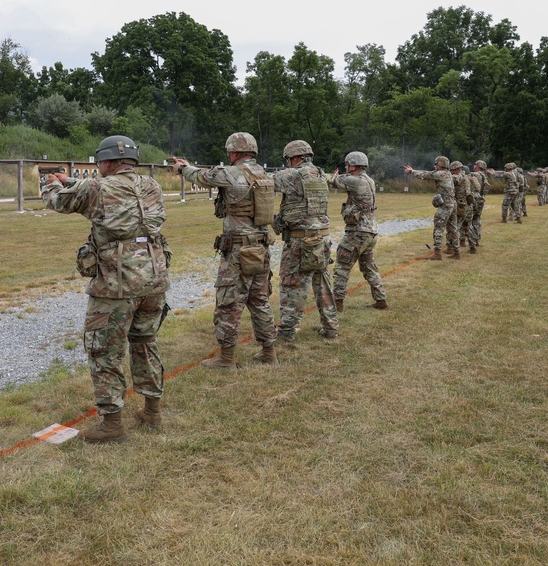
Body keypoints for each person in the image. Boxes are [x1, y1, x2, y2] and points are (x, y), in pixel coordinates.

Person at [42, 135, 171, 443]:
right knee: (145, 343)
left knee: (104, 351)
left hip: (117, 283)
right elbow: (112, 192)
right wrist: (70, 180)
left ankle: (112, 424)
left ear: (108, 162)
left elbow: (61, 201)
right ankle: (152, 412)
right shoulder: (152, 186)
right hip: (153, 278)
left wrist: (50, 184)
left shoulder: (97, 188)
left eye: (100, 162)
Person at [172, 133, 279, 366]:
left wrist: (183, 168)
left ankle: (227, 358)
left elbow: (202, 177)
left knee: (228, 302)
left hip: (239, 251)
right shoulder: (264, 174)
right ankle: (269, 353)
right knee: (259, 300)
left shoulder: (231, 173)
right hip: (261, 246)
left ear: (234, 152)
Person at [272, 140, 339, 341]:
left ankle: (286, 331)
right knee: (322, 283)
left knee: (291, 284)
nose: (287, 164)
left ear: (295, 158)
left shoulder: (293, 175)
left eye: (288, 160)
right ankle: (331, 329)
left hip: (300, 240)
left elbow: (268, 181)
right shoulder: (319, 174)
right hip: (322, 238)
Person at [328, 151, 387, 311]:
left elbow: (332, 181)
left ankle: (337, 303)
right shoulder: (370, 180)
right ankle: (381, 300)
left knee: (342, 266)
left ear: (354, 165)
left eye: (348, 164)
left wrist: (324, 174)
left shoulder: (354, 180)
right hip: (370, 230)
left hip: (358, 231)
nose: (346, 167)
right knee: (369, 268)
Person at [404, 156, 456, 260]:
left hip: (445, 204)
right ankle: (455, 251)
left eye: (436, 164)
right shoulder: (448, 173)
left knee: (438, 228)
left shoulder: (440, 174)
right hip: (452, 203)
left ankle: (437, 254)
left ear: (441, 165)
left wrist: (411, 171)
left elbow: (425, 175)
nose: (434, 166)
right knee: (452, 228)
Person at [456, 161, 480, 254]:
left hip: (463, 205)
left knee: (457, 226)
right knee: (468, 226)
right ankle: (473, 246)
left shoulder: (462, 179)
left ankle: (453, 247)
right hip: (470, 205)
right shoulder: (472, 178)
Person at [471, 161, 491, 246]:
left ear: (478, 166)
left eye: (475, 165)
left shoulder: (475, 175)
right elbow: (487, 186)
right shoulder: (484, 176)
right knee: (477, 219)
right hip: (481, 198)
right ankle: (477, 237)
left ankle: (472, 241)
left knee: (470, 220)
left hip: (474, 198)